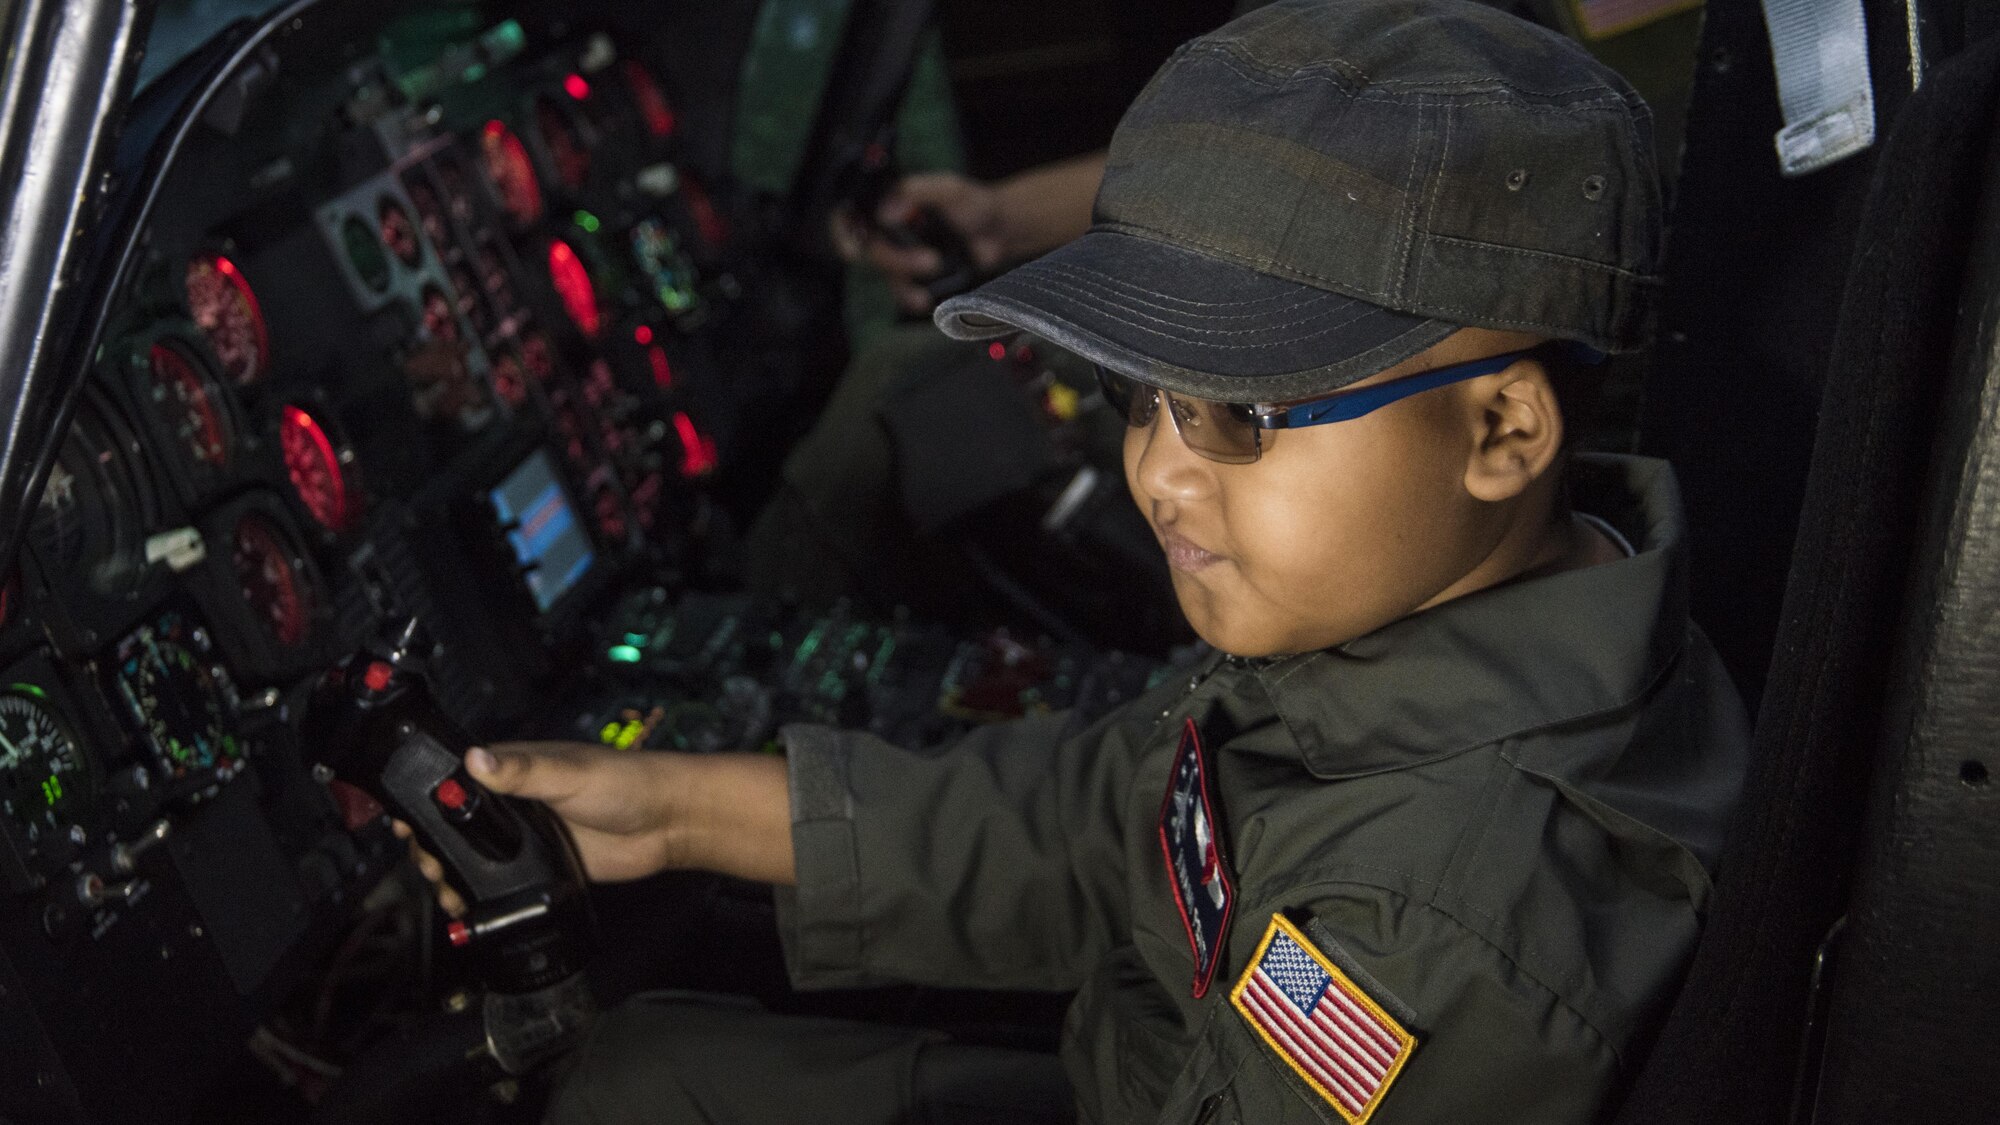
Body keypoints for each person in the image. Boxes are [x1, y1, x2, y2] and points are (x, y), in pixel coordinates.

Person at [421, 1, 1750, 1119]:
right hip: (1144, 1059)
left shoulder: (1439, 932)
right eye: (1141, 395)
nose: (1161, 469)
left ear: (1504, 428)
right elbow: (1110, 816)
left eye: (1245, 409)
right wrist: (672, 812)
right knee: (641, 1067)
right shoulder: (1415, 600)